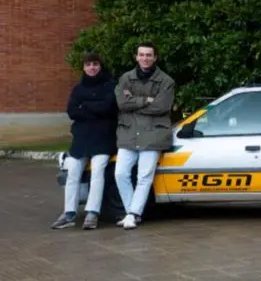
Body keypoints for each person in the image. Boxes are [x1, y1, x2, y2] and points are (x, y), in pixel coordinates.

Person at [113, 42, 175, 230]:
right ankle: (133, 212)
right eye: (141, 55)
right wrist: (146, 100)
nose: (145, 58)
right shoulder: (126, 78)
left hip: (153, 134)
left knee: (144, 176)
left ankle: (132, 214)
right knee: (120, 174)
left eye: (149, 55)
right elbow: (122, 104)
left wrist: (134, 102)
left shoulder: (166, 81)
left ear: (155, 58)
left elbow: (162, 107)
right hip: (129, 133)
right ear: (136, 57)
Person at [53, 53, 118, 230]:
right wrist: (94, 109)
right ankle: (69, 213)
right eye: (88, 64)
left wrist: (85, 106)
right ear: (84, 67)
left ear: (100, 66)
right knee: (73, 173)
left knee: (97, 173)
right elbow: (72, 111)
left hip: (103, 139)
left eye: (95, 64)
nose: (92, 68)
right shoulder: (78, 89)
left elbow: (108, 107)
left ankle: (92, 213)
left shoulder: (110, 86)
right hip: (81, 140)